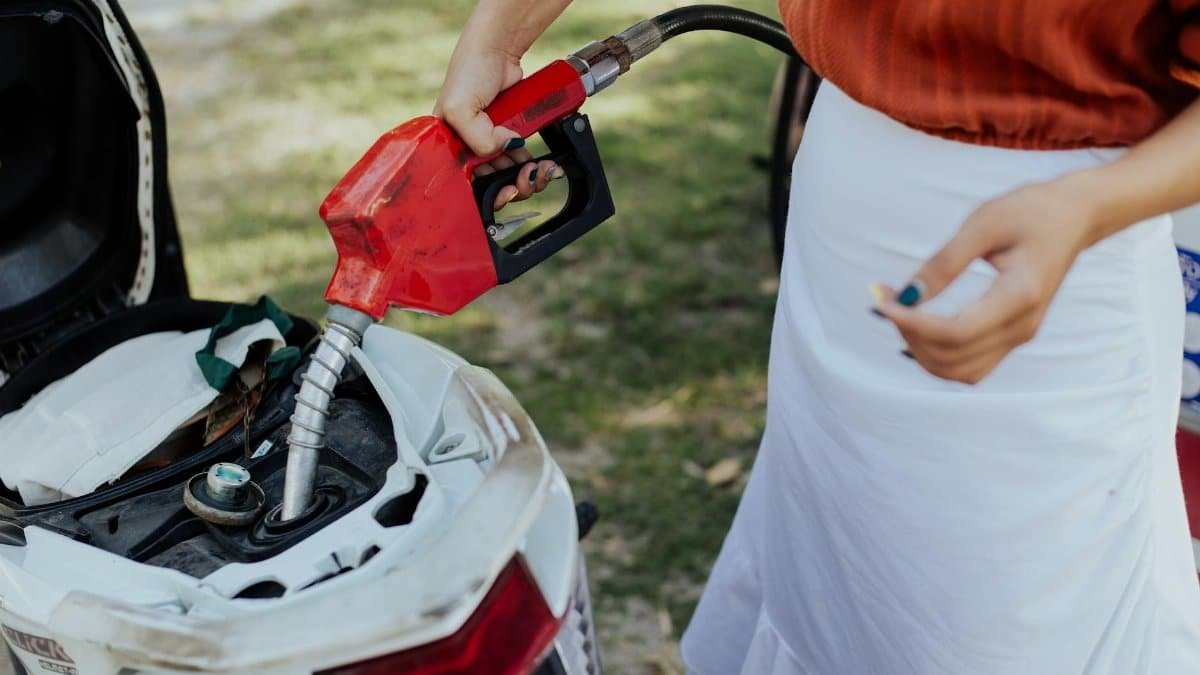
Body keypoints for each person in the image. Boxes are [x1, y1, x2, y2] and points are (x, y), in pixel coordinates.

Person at [437, 1, 1200, 672]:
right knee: (841, 595)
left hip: (1049, 266)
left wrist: (1089, 208)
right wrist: (499, 32)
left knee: (1002, 625)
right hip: (841, 226)